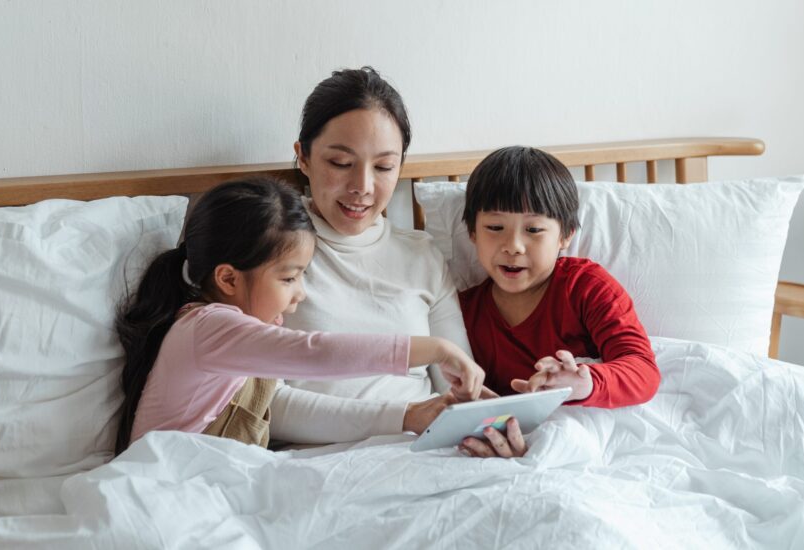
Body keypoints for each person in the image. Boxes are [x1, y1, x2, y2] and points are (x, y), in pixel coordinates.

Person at [114, 177, 484, 454]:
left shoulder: (233, 336)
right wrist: (435, 349)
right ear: (227, 278)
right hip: (164, 483)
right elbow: (315, 352)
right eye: (289, 278)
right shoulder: (210, 328)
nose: (300, 294)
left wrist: (409, 414)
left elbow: (296, 388)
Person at [271, 67, 479, 445]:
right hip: (319, 463)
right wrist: (403, 417)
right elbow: (268, 408)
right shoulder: (269, 255)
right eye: (340, 163)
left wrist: (489, 423)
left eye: (383, 167)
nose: (362, 188)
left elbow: (461, 387)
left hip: (426, 452)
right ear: (303, 157)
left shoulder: (422, 256)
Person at [456, 146, 661, 458]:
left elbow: (643, 372)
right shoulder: (461, 313)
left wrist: (584, 383)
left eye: (534, 230)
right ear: (472, 232)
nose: (513, 246)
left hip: (591, 433)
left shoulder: (585, 286)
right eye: (495, 228)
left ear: (565, 235)